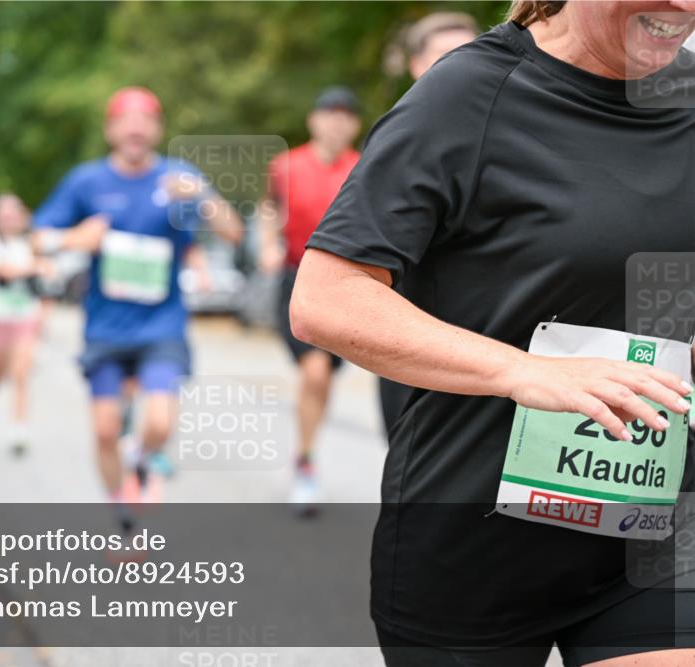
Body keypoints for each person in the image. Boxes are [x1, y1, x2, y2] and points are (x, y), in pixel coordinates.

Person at [290, 1, 694, 665]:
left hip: (650, 533)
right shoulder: (467, 95)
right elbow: (326, 298)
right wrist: (526, 371)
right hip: (470, 542)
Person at [33, 86, 242, 531]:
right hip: (105, 328)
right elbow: (38, 238)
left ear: (157, 129)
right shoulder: (86, 182)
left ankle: (142, 458)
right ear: (110, 130)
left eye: (145, 120)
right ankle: (121, 510)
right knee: (105, 430)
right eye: (125, 121)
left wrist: (203, 195)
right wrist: (72, 238)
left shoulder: (179, 178)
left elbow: (233, 233)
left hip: (161, 325)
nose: (135, 129)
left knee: (160, 423)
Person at [258, 86, 362, 517]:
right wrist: (267, 244)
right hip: (296, 277)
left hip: (346, 283)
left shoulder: (364, 167)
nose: (336, 123)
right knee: (315, 371)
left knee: (323, 378)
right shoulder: (285, 165)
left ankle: (306, 451)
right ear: (313, 120)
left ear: (354, 125)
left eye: (345, 116)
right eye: (329, 114)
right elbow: (269, 210)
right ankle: (305, 464)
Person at [379, 13, 479, 437]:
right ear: (416, 65)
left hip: (500, 351)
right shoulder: (398, 140)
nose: (464, 67)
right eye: (446, 56)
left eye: (472, 53)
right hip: (415, 344)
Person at [0, 194, 46, 456]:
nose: (8, 220)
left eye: (13, 215)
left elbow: (49, 272)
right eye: (3, 216)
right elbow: (3, 271)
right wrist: (35, 266)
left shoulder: (32, 242)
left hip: (26, 316)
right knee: (0, 372)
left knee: (20, 374)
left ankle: (19, 429)